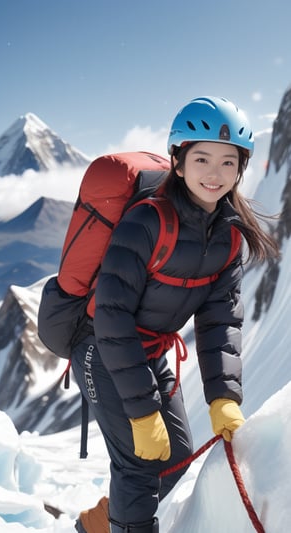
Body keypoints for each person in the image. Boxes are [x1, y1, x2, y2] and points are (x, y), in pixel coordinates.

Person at [72, 96, 279, 533]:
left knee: (177, 457)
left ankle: (101, 523)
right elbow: (111, 315)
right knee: (139, 464)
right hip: (101, 346)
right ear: (178, 162)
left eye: (228, 162)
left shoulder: (228, 239)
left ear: (241, 170)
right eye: (201, 157)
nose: (214, 172)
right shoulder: (145, 222)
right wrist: (144, 411)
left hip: (151, 353)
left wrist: (224, 398)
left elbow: (220, 322)